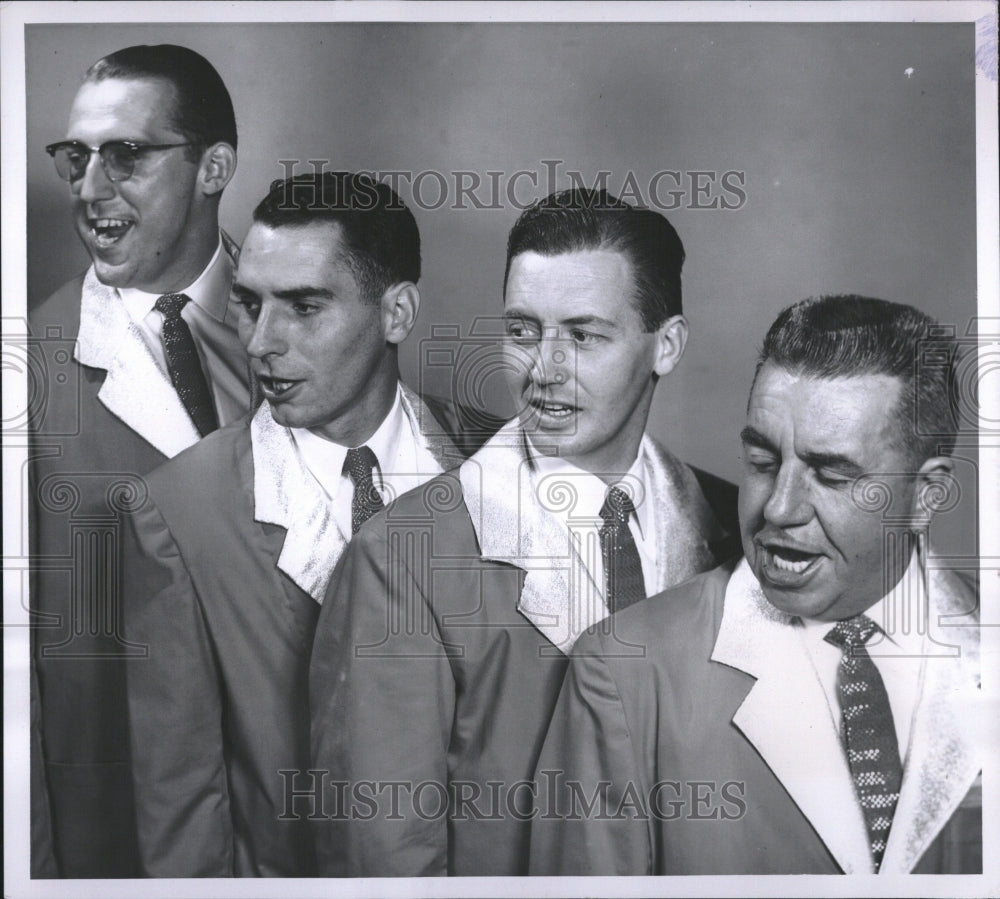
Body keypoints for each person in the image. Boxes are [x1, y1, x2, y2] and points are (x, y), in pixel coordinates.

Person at [309, 188, 740, 876]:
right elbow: (381, 858)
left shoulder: (738, 530)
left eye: (584, 335)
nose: (544, 369)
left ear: (668, 345)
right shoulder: (402, 556)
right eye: (522, 331)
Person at [122, 171, 495, 877]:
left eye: (303, 306)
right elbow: (181, 818)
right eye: (249, 303)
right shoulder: (176, 510)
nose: (261, 342)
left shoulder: (501, 467)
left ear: (397, 312)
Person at [529, 295, 982, 875]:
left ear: (927, 496)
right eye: (763, 462)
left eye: (832, 474)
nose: (780, 509)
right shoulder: (623, 669)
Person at [29, 44, 249, 877]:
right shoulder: (22, 372)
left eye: (126, 154)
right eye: (76, 157)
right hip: (113, 845)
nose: (89, 188)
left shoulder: (319, 315)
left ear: (213, 166)